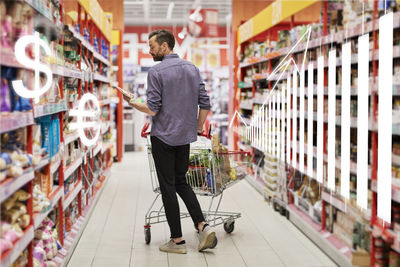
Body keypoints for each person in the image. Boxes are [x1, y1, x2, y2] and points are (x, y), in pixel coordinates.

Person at [124, 29, 214, 254]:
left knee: (168, 186)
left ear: (165, 47)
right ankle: (202, 225)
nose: (149, 50)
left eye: (152, 46)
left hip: (163, 138)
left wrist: (132, 101)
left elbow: (152, 109)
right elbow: (205, 103)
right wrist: (198, 127)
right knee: (182, 182)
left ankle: (177, 241)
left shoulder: (156, 72)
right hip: (184, 138)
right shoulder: (192, 69)